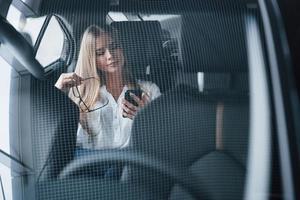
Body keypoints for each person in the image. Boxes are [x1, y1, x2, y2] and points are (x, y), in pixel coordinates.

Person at [55, 25, 161, 151]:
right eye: (100, 53)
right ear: (91, 59)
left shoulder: (149, 90)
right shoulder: (81, 94)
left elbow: (163, 140)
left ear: (122, 48)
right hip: (94, 165)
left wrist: (146, 120)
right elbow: (69, 143)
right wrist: (56, 95)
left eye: (114, 47)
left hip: (135, 163)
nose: (110, 55)